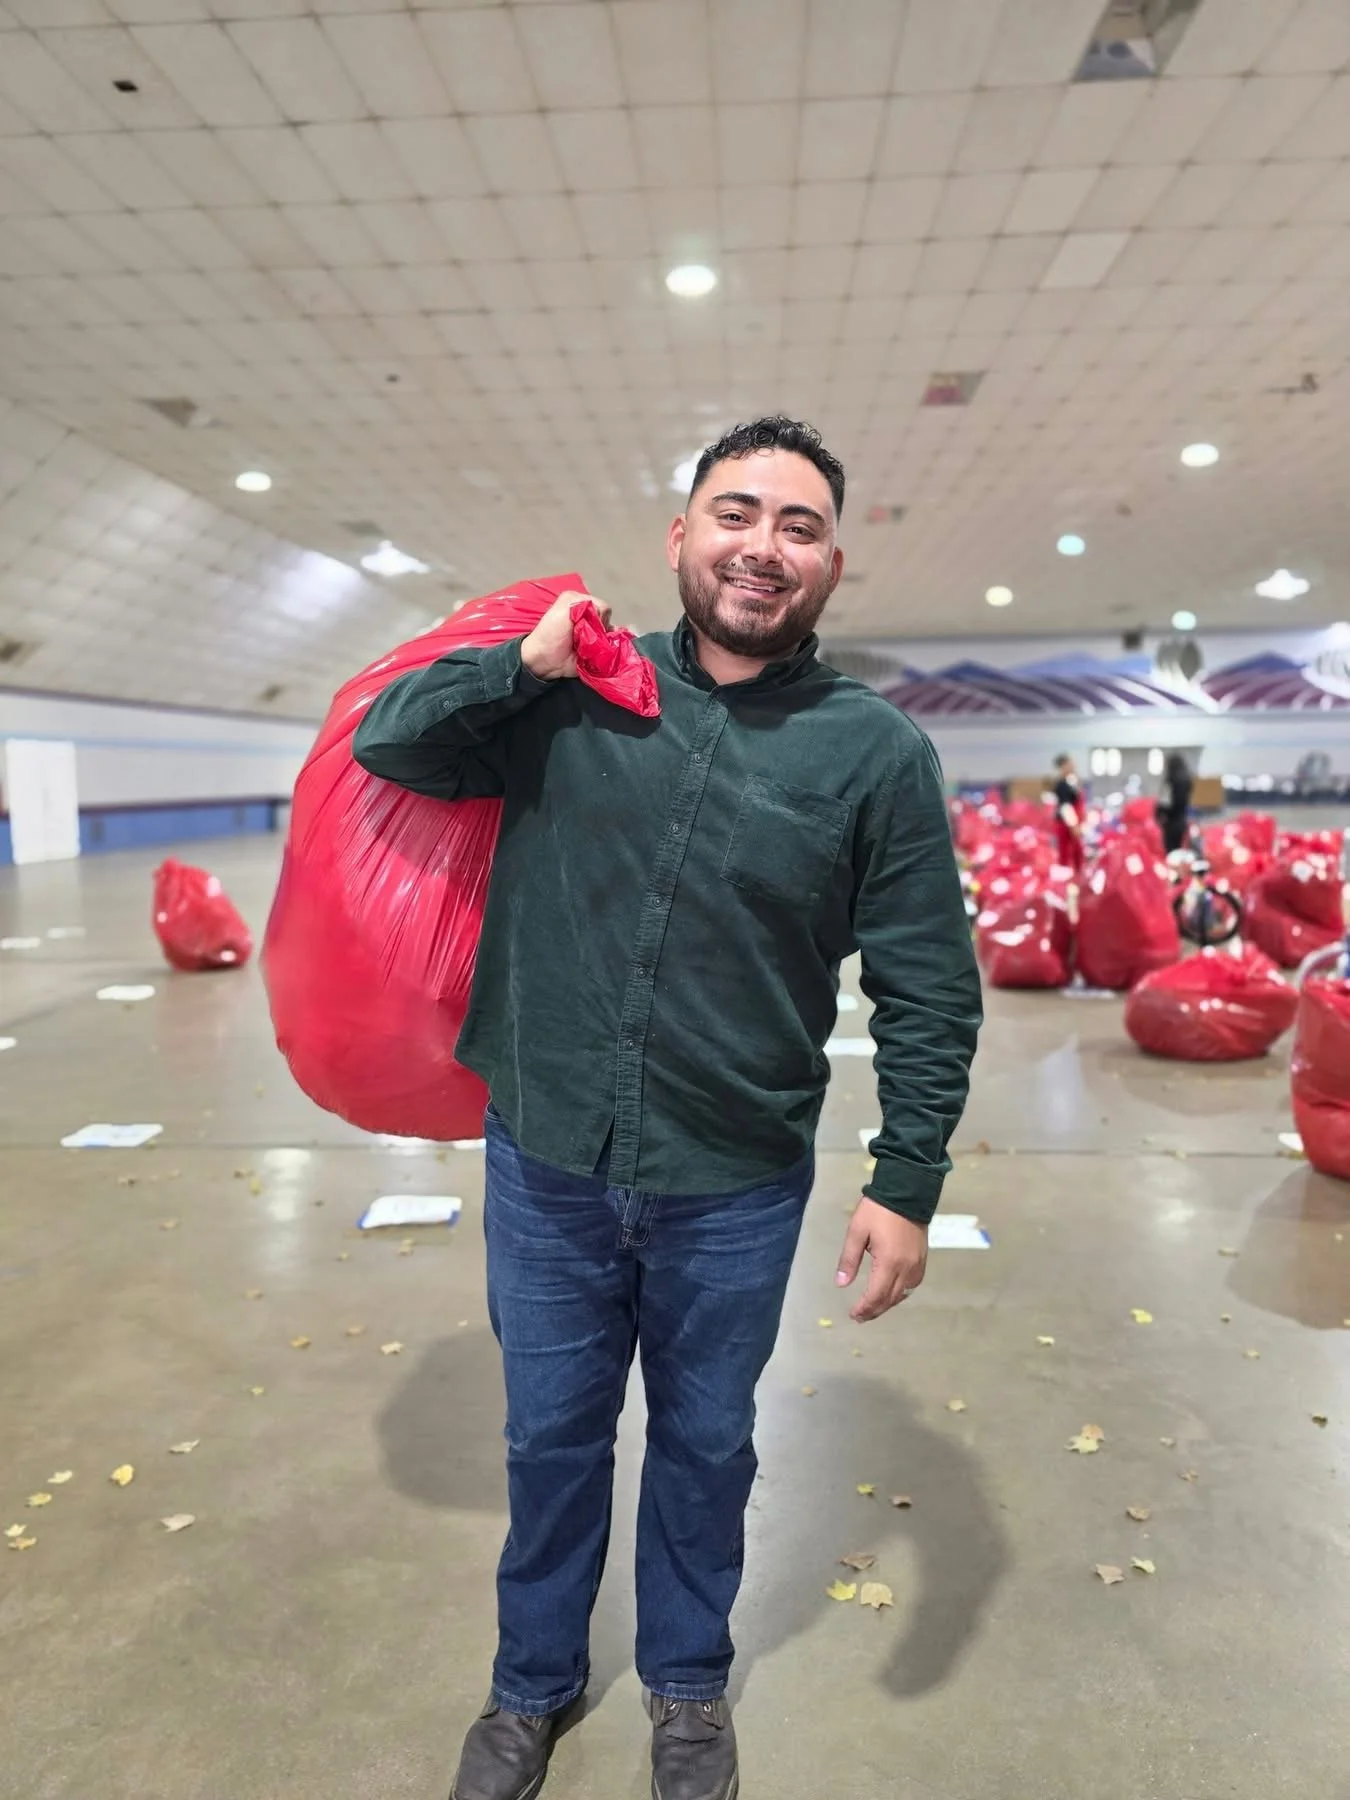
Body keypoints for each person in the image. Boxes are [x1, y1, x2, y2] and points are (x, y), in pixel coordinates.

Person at [352, 416, 982, 1800]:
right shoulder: (573, 689)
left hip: (734, 1181)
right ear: (680, 536)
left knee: (706, 1445)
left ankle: (688, 1686)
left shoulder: (870, 753)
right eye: (735, 513)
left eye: (797, 526)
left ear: (830, 565)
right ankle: (531, 1687)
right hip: (550, 1160)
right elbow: (391, 746)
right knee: (549, 1436)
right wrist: (517, 667)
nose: (763, 546)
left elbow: (930, 983)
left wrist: (906, 1179)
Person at [1052, 753, 1085, 873]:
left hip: (1074, 822)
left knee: (1077, 852)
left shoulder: (1072, 782)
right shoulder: (1061, 785)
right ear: (1063, 766)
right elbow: (1066, 807)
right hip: (1066, 824)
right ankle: (1063, 882)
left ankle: (1078, 877)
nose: (1073, 766)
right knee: (1065, 854)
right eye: (1070, 764)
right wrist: (1074, 825)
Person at [1157, 752, 1194, 855]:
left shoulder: (1170, 780)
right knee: (1179, 850)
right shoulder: (1187, 779)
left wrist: (1159, 814)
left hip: (1171, 822)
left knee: (1170, 851)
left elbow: (1165, 802)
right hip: (1182, 819)